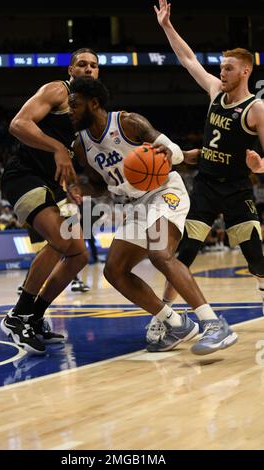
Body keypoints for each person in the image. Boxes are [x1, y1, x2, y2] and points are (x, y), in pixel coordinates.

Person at [68, 76, 238, 355]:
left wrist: (172, 152)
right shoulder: (80, 146)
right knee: (114, 271)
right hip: (134, 204)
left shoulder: (128, 122)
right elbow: (99, 186)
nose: (70, 111)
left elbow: (170, 150)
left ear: (94, 103)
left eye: (75, 105)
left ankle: (214, 325)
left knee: (161, 254)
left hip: (164, 190)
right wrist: (79, 188)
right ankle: (175, 323)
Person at [154, 1, 264, 330]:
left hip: (237, 190)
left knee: (257, 259)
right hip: (204, 187)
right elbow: (188, 59)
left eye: (228, 68)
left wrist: (259, 166)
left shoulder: (256, 109)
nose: (221, 72)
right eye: (221, 67)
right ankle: (166, 316)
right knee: (182, 255)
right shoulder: (215, 91)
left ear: (245, 71)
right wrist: (167, 26)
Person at [0, 49, 99, 354]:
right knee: (60, 239)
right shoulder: (57, 90)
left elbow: (72, 159)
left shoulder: (87, 113)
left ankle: (35, 317)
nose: (88, 68)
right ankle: (17, 316)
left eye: (94, 65)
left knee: (79, 254)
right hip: (23, 175)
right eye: (82, 63)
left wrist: (72, 185)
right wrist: (56, 146)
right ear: (71, 69)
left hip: (50, 184)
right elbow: (18, 124)